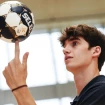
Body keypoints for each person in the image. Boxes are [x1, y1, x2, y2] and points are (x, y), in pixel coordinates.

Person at [2, 24, 105, 105]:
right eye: (64, 46)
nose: (65, 50)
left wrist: (19, 87)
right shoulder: (84, 97)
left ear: (95, 51)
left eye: (74, 43)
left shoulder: (102, 91)